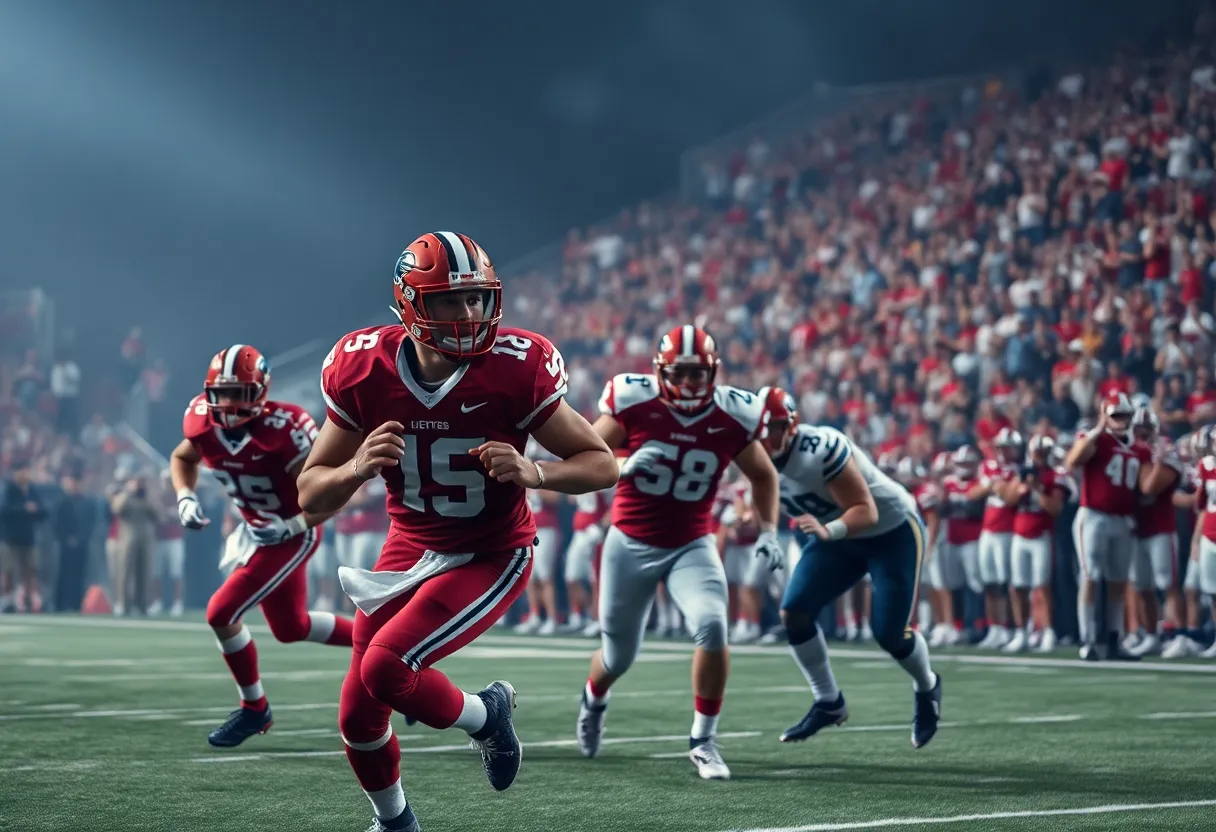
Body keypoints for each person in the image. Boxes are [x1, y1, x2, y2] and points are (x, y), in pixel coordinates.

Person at [297, 230, 617, 832]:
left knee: (385, 668)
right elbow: (310, 491)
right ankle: (398, 820)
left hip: (491, 553)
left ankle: (486, 714)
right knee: (357, 717)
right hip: (410, 544)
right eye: (449, 300)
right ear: (410, 304)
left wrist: (536, 471)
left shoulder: (515, 369)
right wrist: (357, 467)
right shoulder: (363, 368)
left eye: (477, 299)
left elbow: (603, 463)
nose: (469, 315)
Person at [575, 324, 781, 781]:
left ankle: (703, 740)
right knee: (618, 656)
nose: (690, 384)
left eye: (698, 374)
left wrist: (768, 531)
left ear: (715, 373)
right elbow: (583, 453)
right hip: (628, 542)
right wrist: (624, 463)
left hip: (692, 542)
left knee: (711, 624)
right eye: (681, 373)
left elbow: (764, 475)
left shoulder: (735, 413)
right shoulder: (634, 401)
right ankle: (593, 698)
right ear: (660, 371)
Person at [169, 343, 355, 748]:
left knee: (221, 611)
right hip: (256, 531)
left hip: (295, 532)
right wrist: (185, 495)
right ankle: (385, 650)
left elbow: (334, 496)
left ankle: (255, 708)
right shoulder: (201, 420)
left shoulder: (288, 430)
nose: (231, 405)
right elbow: (183, 458)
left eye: (240, 394)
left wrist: (293, 525)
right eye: (224, 394)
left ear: (262, 392)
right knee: (291, 628)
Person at [759, 388, 941, 750]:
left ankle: (927, 685)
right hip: (836, 535)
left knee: (890, 634)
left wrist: (830, 531)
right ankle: (828, 702)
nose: (764, 437)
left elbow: (866, 510)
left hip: (891, 531)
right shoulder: (750, 453)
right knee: (794, 612)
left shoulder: (820, 449)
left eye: (773, 428)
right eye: (758, 428)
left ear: (791, 427)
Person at [1064, 391, 1152, 660]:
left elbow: (1146, 489)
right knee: (1090, 576)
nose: (1120, 420)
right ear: (1105, 416)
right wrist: (1098, 429)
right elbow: (1072, 461)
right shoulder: (1096, 440)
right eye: (1115, 415)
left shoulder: (1140, 448)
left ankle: (1115, 639)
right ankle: (1088, 639)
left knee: (1118, 581)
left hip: (1122, 519)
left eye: (1124, 415)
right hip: (1093, 516)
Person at [1005, 434, 1071, 653]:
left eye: (1043, 454)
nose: (1039, 458)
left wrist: (1037, 489)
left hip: (1042, 534)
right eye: (1037, 454)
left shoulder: (1056, 476)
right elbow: (1009, 500)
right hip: (1019, 534)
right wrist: (1021, 485)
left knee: (1042, 587)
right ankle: (1022, 631)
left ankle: (1048, 631)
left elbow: (1056, 509)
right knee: (1018, 587)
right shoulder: (1022, 473)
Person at [108, 468, 160, 615]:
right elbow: (117, 508)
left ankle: (142, 605)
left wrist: (149, 498)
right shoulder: (125, 496)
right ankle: (123, 604)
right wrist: (128, 492)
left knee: (144, 572)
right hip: (128, 537)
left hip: (146, 538)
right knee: (125, 572)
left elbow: (158, 515)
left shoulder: (147, 497)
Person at [1, 460, 47, 612]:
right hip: (11, 539)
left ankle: (29, 600)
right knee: (9, 570)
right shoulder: (9, 490)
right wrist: (24, 509)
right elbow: (5, 511)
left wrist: (34, 510)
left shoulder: (32, 490)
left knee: (30, 570)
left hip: (29, 539)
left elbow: (43, 511)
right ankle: (7, 600)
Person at [52, 469, 96, 612]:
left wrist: (82, 538)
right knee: (64, 575)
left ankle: (76, 604)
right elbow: (57, 523)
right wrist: (66, 538)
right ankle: (61, 604)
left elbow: (90, 523)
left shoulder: (87, 503)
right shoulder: (62, 502)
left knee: (80, 575)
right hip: (65, 545)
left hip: (81, 545)